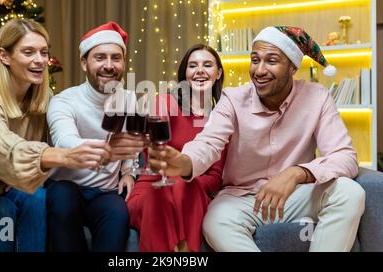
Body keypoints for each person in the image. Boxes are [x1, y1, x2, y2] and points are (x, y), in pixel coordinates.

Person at [149, 26, 365, 252]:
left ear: (292, 67)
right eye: (255, 60)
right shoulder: (232, 99)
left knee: (350, 192)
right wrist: (184, 162)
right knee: (216, 222)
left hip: (296, 194)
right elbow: (208, 142)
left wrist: (297, 173)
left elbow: (345, 157)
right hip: (242, 199)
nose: (259, 70)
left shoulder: (317, 97)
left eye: (271, 61)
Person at [0, 19, 111, 252]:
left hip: (3, 189)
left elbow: (66, 129)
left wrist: (111, 142)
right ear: (5, 56)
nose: (39, 60)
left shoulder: (42, 97)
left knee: (36, 197)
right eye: (29, 52)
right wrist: (64, 156)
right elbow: (2, 148)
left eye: (43, 52)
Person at [46, 22, 145, 252]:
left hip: (105, 192)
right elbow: (65, 142)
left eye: (116, 58)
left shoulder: (130, 100)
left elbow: (133, 143)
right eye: (100, 57)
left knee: (118, 214)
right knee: (62, 197)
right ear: (84, 62)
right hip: (67, 187)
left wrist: (129, 172)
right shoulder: (64, 101)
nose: (108, 66)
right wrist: (110, 149)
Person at [127, 44, 227, 252]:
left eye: (207, 65)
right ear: (185, 75)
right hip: (152, 188)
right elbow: (153, 155)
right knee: (158, 199)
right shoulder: (164, 102)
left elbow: (215, 177)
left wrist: (185, 179)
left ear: (218, 73)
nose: (200, 70)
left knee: (186, 187)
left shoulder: (223, 119)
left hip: (192, 195)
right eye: (193, 66)